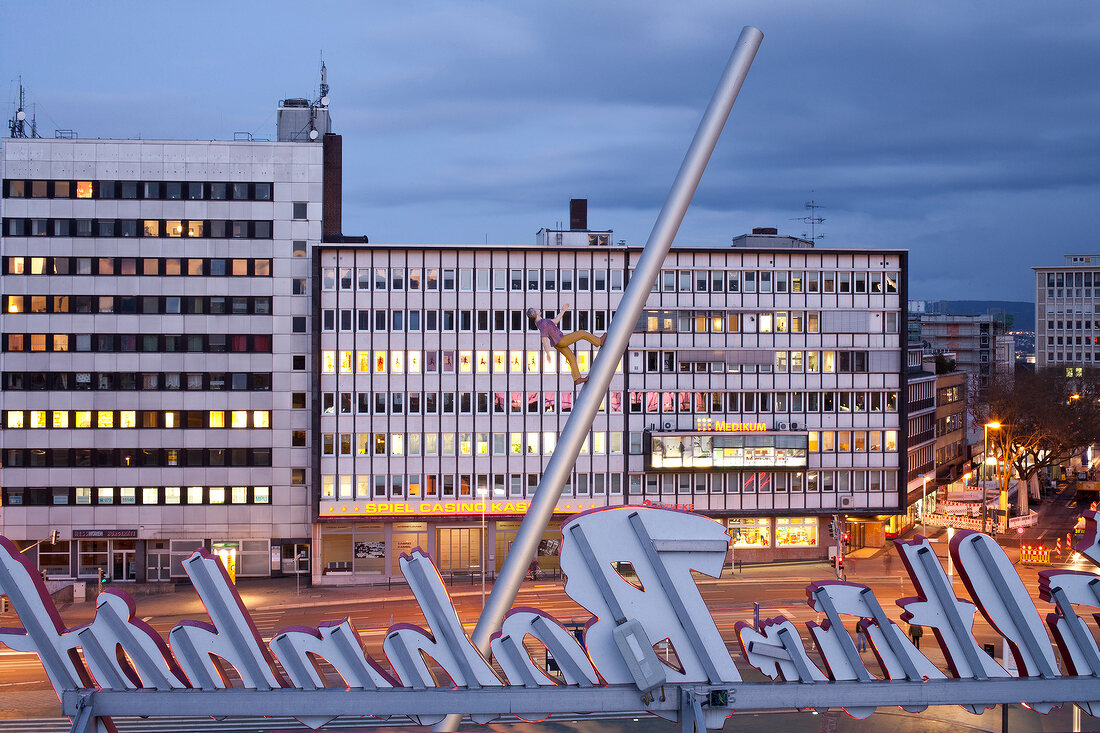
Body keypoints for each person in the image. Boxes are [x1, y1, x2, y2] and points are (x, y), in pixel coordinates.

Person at [528, 304, 606, 385]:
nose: (538, 310)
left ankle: (577, 379)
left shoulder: (539, 323)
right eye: (536, 310)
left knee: (571, 358)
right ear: (536, 313)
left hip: (556, 344)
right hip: (561, 340)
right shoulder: (544, 323)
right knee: (582, 333)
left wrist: (563, 310)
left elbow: (556, 321)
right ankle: (599, 341)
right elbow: (544, 340)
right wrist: (548, 354)